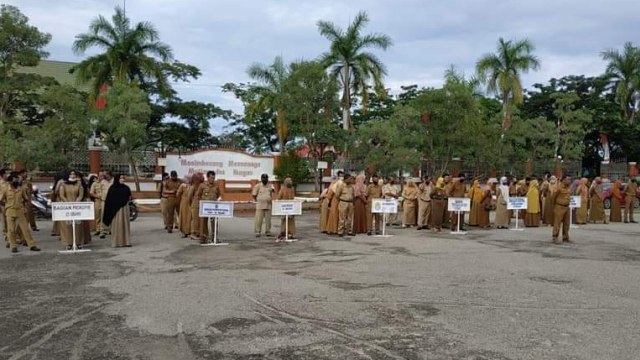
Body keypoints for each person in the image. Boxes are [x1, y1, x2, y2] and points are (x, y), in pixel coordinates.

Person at [0, 174, 41, 253]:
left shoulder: (21, 189)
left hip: (20, 211)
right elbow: (1, 200)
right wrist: (7, 206)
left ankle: (32, 245)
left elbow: (25, 199)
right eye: (14, 180)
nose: (17, 181)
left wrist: (24, 207)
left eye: (17, 179)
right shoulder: (6, 190)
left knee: (25, 229)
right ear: (10, 181)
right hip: (10, 211)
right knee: (11, 230)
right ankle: (13, 246)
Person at [58, 170, 86, 250]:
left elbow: (81, 194)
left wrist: (76, 202)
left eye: (74, 174)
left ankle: (78, 242)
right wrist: (68, 203)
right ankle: (68, 243)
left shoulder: (79, 184)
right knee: (67, 225)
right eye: (71, 174)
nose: (72, 175)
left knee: (78, 225)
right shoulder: (63, 184)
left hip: (77, 206)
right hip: (67, 206)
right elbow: (62, 195)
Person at [103, 174, 132, 247]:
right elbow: (109, 201)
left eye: (123, 178)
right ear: (117, 179)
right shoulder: (112, 188)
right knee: (117, 225)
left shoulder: (126, 188)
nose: (122, 179)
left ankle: (126, 242)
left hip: (124, 209)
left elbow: (129, 197)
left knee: (125, 225)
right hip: (115, 211)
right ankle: (116, 242)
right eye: (120, 178)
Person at [196, 171, 221, 243]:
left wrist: (218, 200)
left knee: (214, 222)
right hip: (205, 207)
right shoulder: (202, 185)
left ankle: (214, 237)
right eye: (211, 178)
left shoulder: (216, 185)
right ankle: (203, 237)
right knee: (203, 222)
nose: (213, 179)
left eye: (214, 178)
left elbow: (219, 195)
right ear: (207, 177)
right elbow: (198, 195)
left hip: (213, 207)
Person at [551, 175, 572, 244]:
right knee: (557, 223)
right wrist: (554, 206)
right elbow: (553, 197)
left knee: (567, 223)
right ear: (563, 180)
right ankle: (555, 237)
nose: (569, 181)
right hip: (559, 207)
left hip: (567, 207)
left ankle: (565, 237)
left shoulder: (569, 187)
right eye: (568, 179)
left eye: (570, 180)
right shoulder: (558, 187)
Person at [325, 171, 344, 235]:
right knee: (333, 215)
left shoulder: (343, 183)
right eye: (340, 176)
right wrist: (329, 201)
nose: (341, 177)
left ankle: (338, 229)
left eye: (342, 175)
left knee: (340, 216)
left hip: (341, 200)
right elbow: (330, 192)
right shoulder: (335, 183)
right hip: (335, 201)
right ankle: (331, 229)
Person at [187, 173, 204, 240]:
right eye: (200, 177)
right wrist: (192, 204)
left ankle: (199, 233)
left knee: (200, 220)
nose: (202, 178)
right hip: (195, 205)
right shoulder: (193, 187)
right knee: (195, 220)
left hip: (201, 205)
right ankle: (193, 233)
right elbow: (189, 197)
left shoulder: (201, 186)